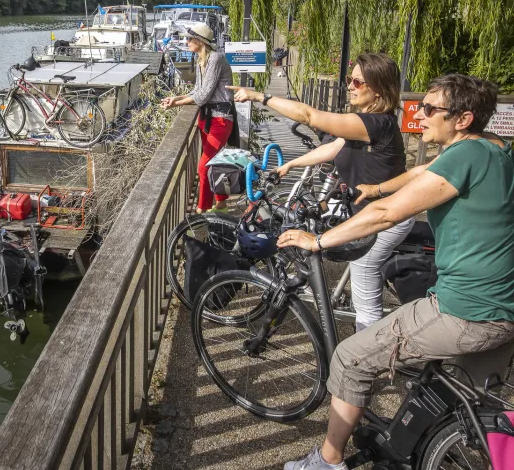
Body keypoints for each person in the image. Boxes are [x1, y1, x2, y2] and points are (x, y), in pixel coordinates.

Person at [277, 73, 514, 470]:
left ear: (463, 119)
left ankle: (328, 460)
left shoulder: (465, 155)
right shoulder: (494, 149)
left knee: (352, 358)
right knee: (472, 410)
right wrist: (378, 187)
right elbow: (424, 174)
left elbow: (386, 216)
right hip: (503, 309)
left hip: (465, 309)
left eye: (430, 109)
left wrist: (318, 241)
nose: (419, 115)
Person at [230, 53, 414, 331]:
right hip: (364, 209)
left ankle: (367, 349)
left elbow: (309, 116)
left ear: (376, 89)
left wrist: (259, 97)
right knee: (314, 215)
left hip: (385, 218)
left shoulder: (376, 124)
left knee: (365, 287)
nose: (349, 86)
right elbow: (333, 148)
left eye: (357, 81)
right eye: (350, 79)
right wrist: (291, 164)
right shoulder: (366, 123)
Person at [160, 22, 234, 214]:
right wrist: (175, 98)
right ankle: (222, 204)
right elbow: (197, 91)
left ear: (200, 41)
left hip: (220, 119)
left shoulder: (215, 59)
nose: (186, 42)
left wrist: (176, 104)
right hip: (207, 118)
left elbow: (203, 95)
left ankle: (202, 209)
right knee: (213, 163)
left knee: (204, 166)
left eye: (189, 38)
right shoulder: (202, 59)